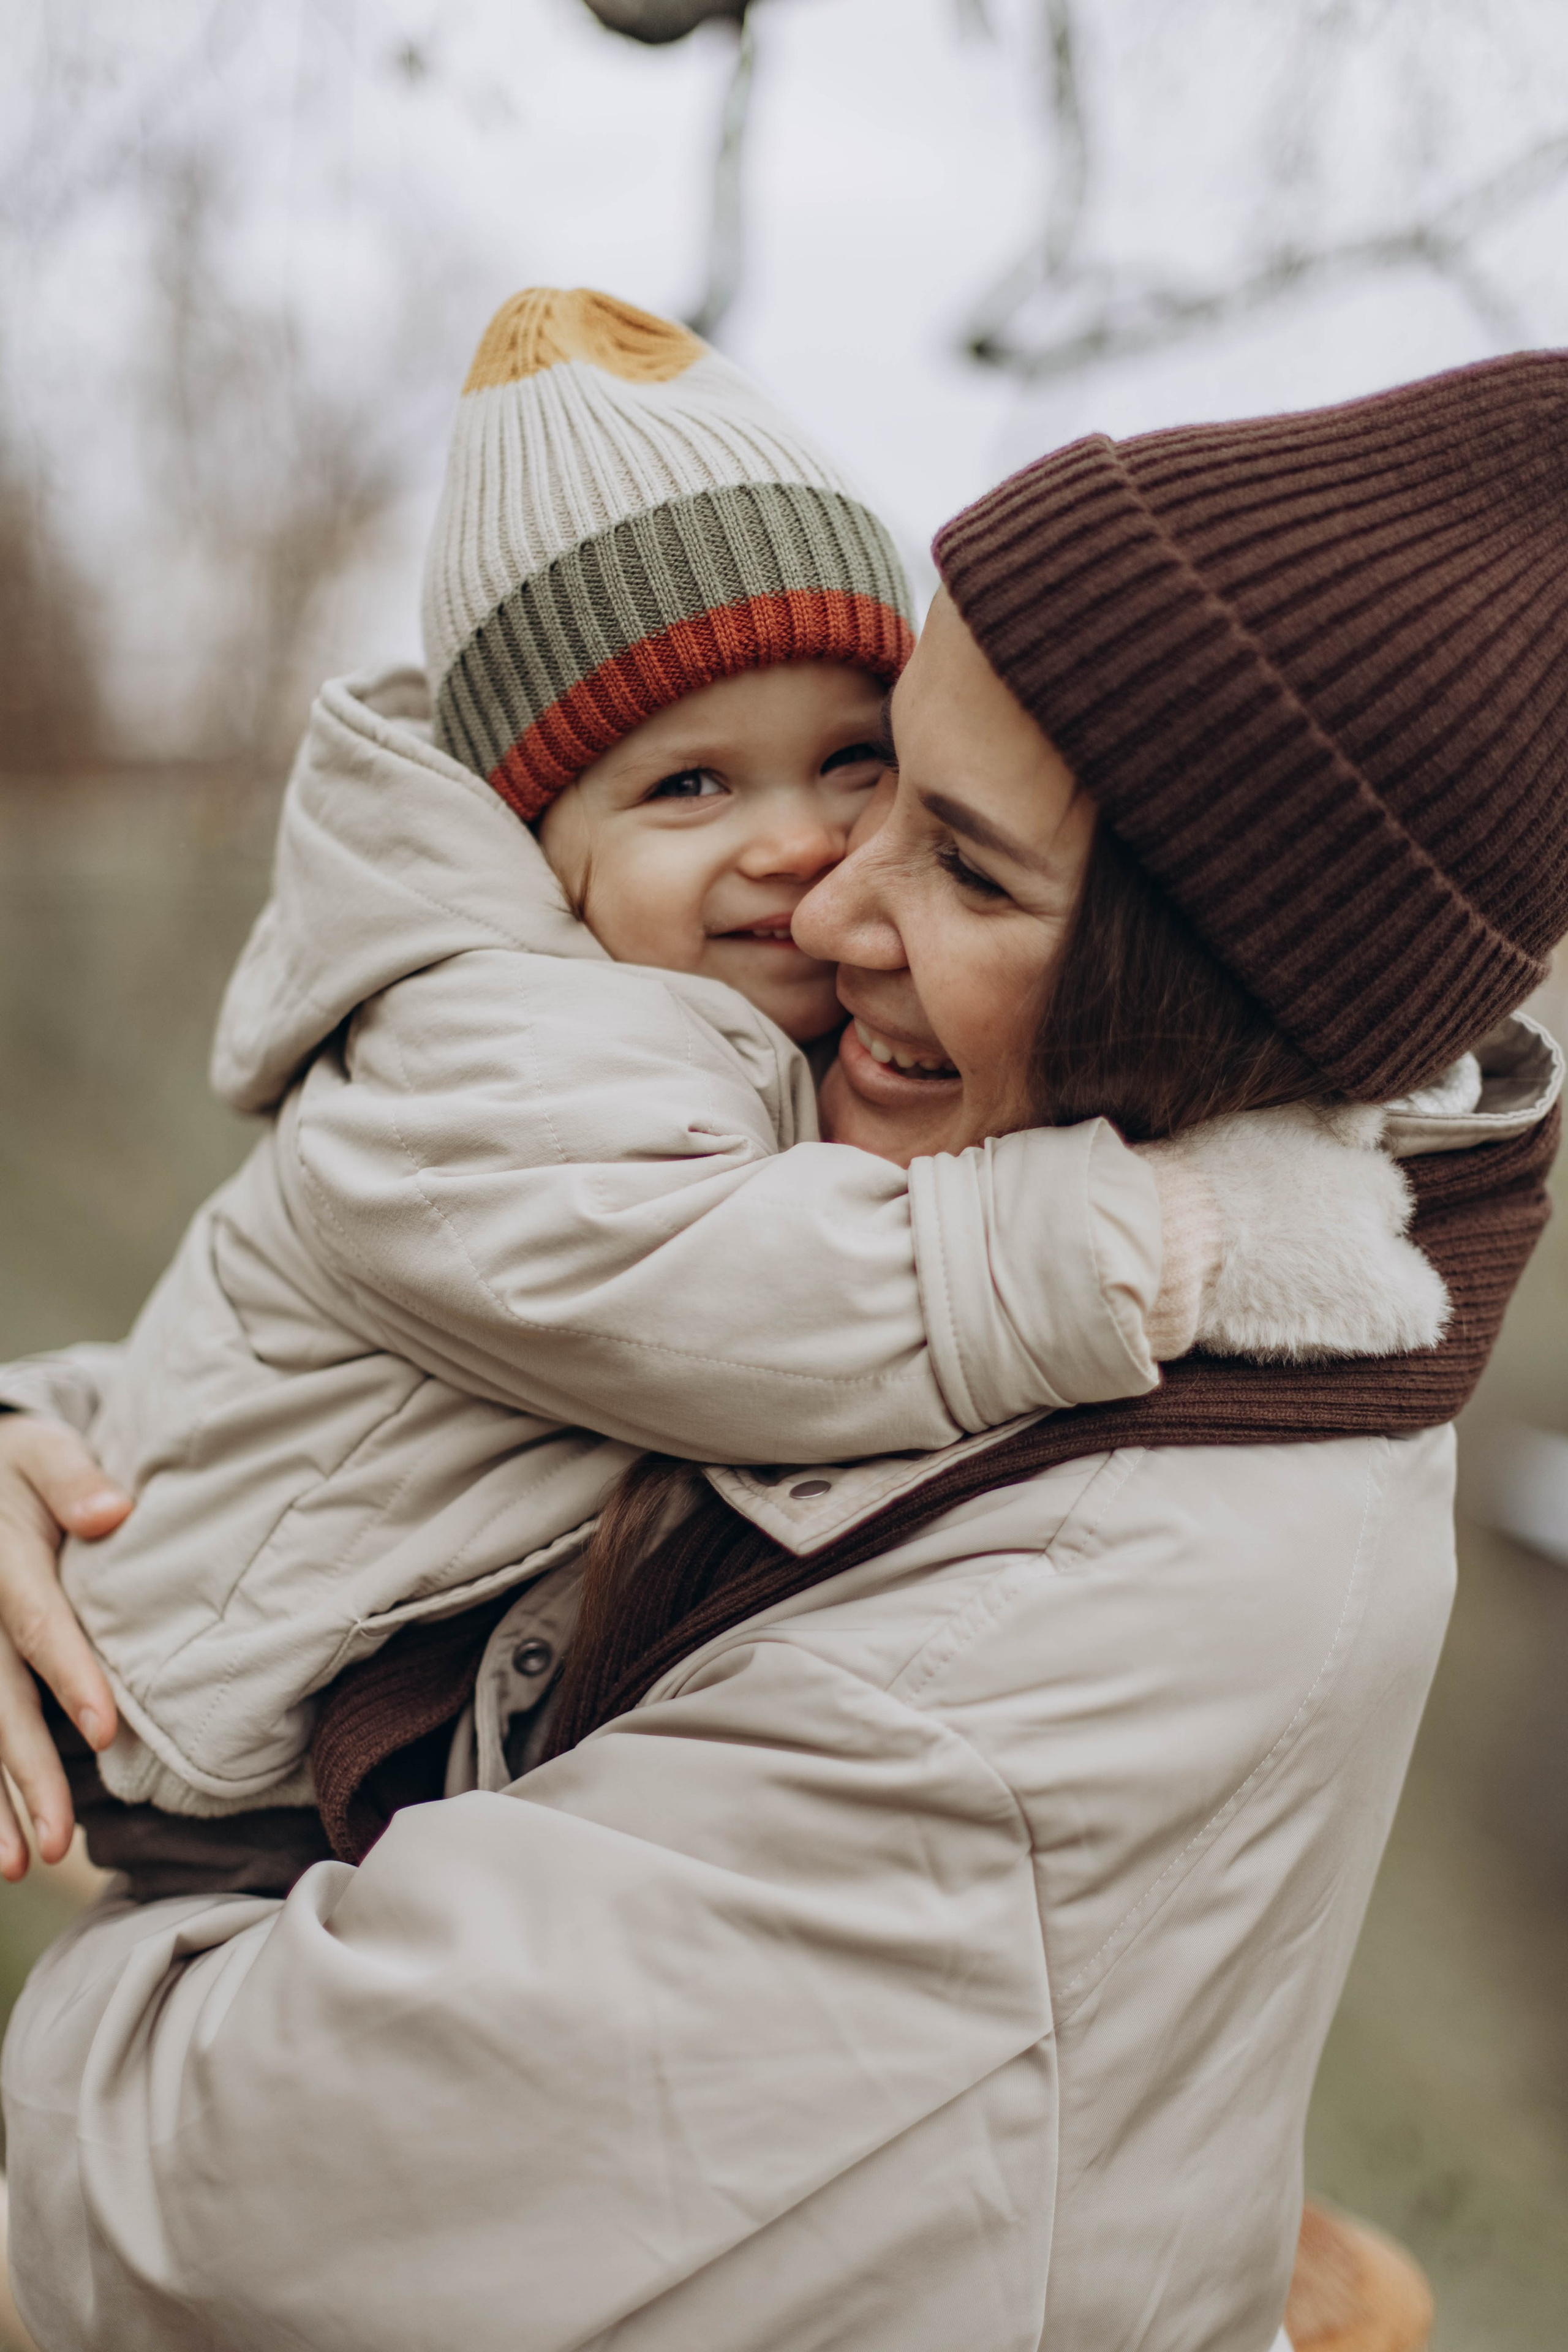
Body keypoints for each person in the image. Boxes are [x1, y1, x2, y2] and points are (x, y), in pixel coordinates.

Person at [1, 351, 1564, 2352]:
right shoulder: (1043, 1202)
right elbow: (408, 1354)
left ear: (1193, 991)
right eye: (887, 773)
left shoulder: (1054, 1613)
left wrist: (155, 1913)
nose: (833, 896)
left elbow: (194, 2210)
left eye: (957, 855)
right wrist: (51, 1455)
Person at [0, 287, 1427, 1861]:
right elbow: (736, 1301)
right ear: (536, 841)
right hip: (208, 1745)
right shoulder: (501, 1048)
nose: (799, 843)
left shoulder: (693, 995)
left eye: (851, 759)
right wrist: (1160, 1239)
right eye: (689, 783)